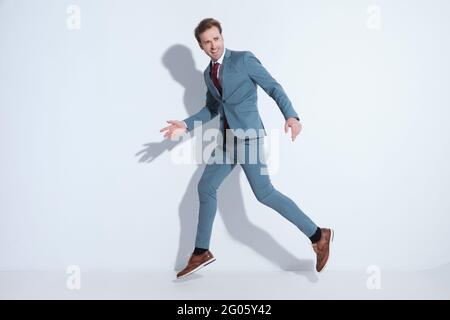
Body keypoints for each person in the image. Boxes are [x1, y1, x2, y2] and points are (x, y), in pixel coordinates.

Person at [160, 18, 333, 279]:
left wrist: (291, 116)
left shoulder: (243, 60)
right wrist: (185, 125)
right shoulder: (208, 74)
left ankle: (319, 235)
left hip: (250, 137)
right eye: (207, 42)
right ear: (201, 46)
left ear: (222, 37)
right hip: (227, 141)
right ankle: (200, 251)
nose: (213, 45)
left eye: (216, 38)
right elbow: (212, 108)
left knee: (265, 194)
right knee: (205, 187)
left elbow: (273, 87)